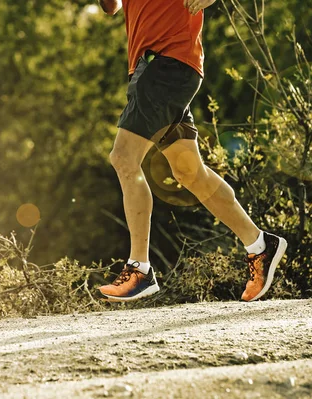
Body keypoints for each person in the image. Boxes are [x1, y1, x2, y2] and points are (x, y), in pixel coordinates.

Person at [97, 0, 287, 302]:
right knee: (189, 171)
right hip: (156, 66)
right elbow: (112, 7)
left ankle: (140, 268)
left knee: (123, 158)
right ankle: (260, 245)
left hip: (167, 62)